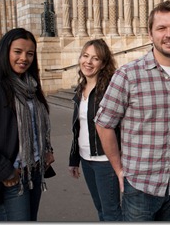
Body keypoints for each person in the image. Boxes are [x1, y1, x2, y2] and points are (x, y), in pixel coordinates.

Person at [94, 0, 170, 221]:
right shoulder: (128, 75)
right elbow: (104, 123)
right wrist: (119, 169)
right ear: (150, 34)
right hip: (141, 187)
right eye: (161, 28)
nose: (169, 34)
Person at [0, 28, 55, 221]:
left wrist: (46, 149)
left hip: (34, 171)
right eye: (18, 52)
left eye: (30, 53)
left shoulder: (31, 86)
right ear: (5, 52)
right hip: (10, 176)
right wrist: (7, 172)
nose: (24, 58)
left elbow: (37, 126)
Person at [68, 39, 122, 221]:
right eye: (85, 56)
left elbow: (119, 126)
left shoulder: (109, 90)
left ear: (103, 63)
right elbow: (78, 128)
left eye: (95, 58)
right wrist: (74, 159)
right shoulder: (80, 89)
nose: (88, 62)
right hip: (86, 159)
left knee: (111, 212)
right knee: (100, 208)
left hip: (105, 160)